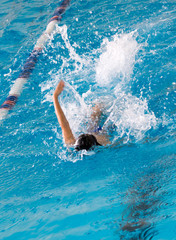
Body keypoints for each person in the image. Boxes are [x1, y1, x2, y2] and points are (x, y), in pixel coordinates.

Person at [53, 80, 110, 151]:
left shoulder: (71, 142)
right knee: (105, 123)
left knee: (93, 118)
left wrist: (55, 97)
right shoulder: (104, 142)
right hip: (100, 133)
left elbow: (64, 124)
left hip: (93, 138)